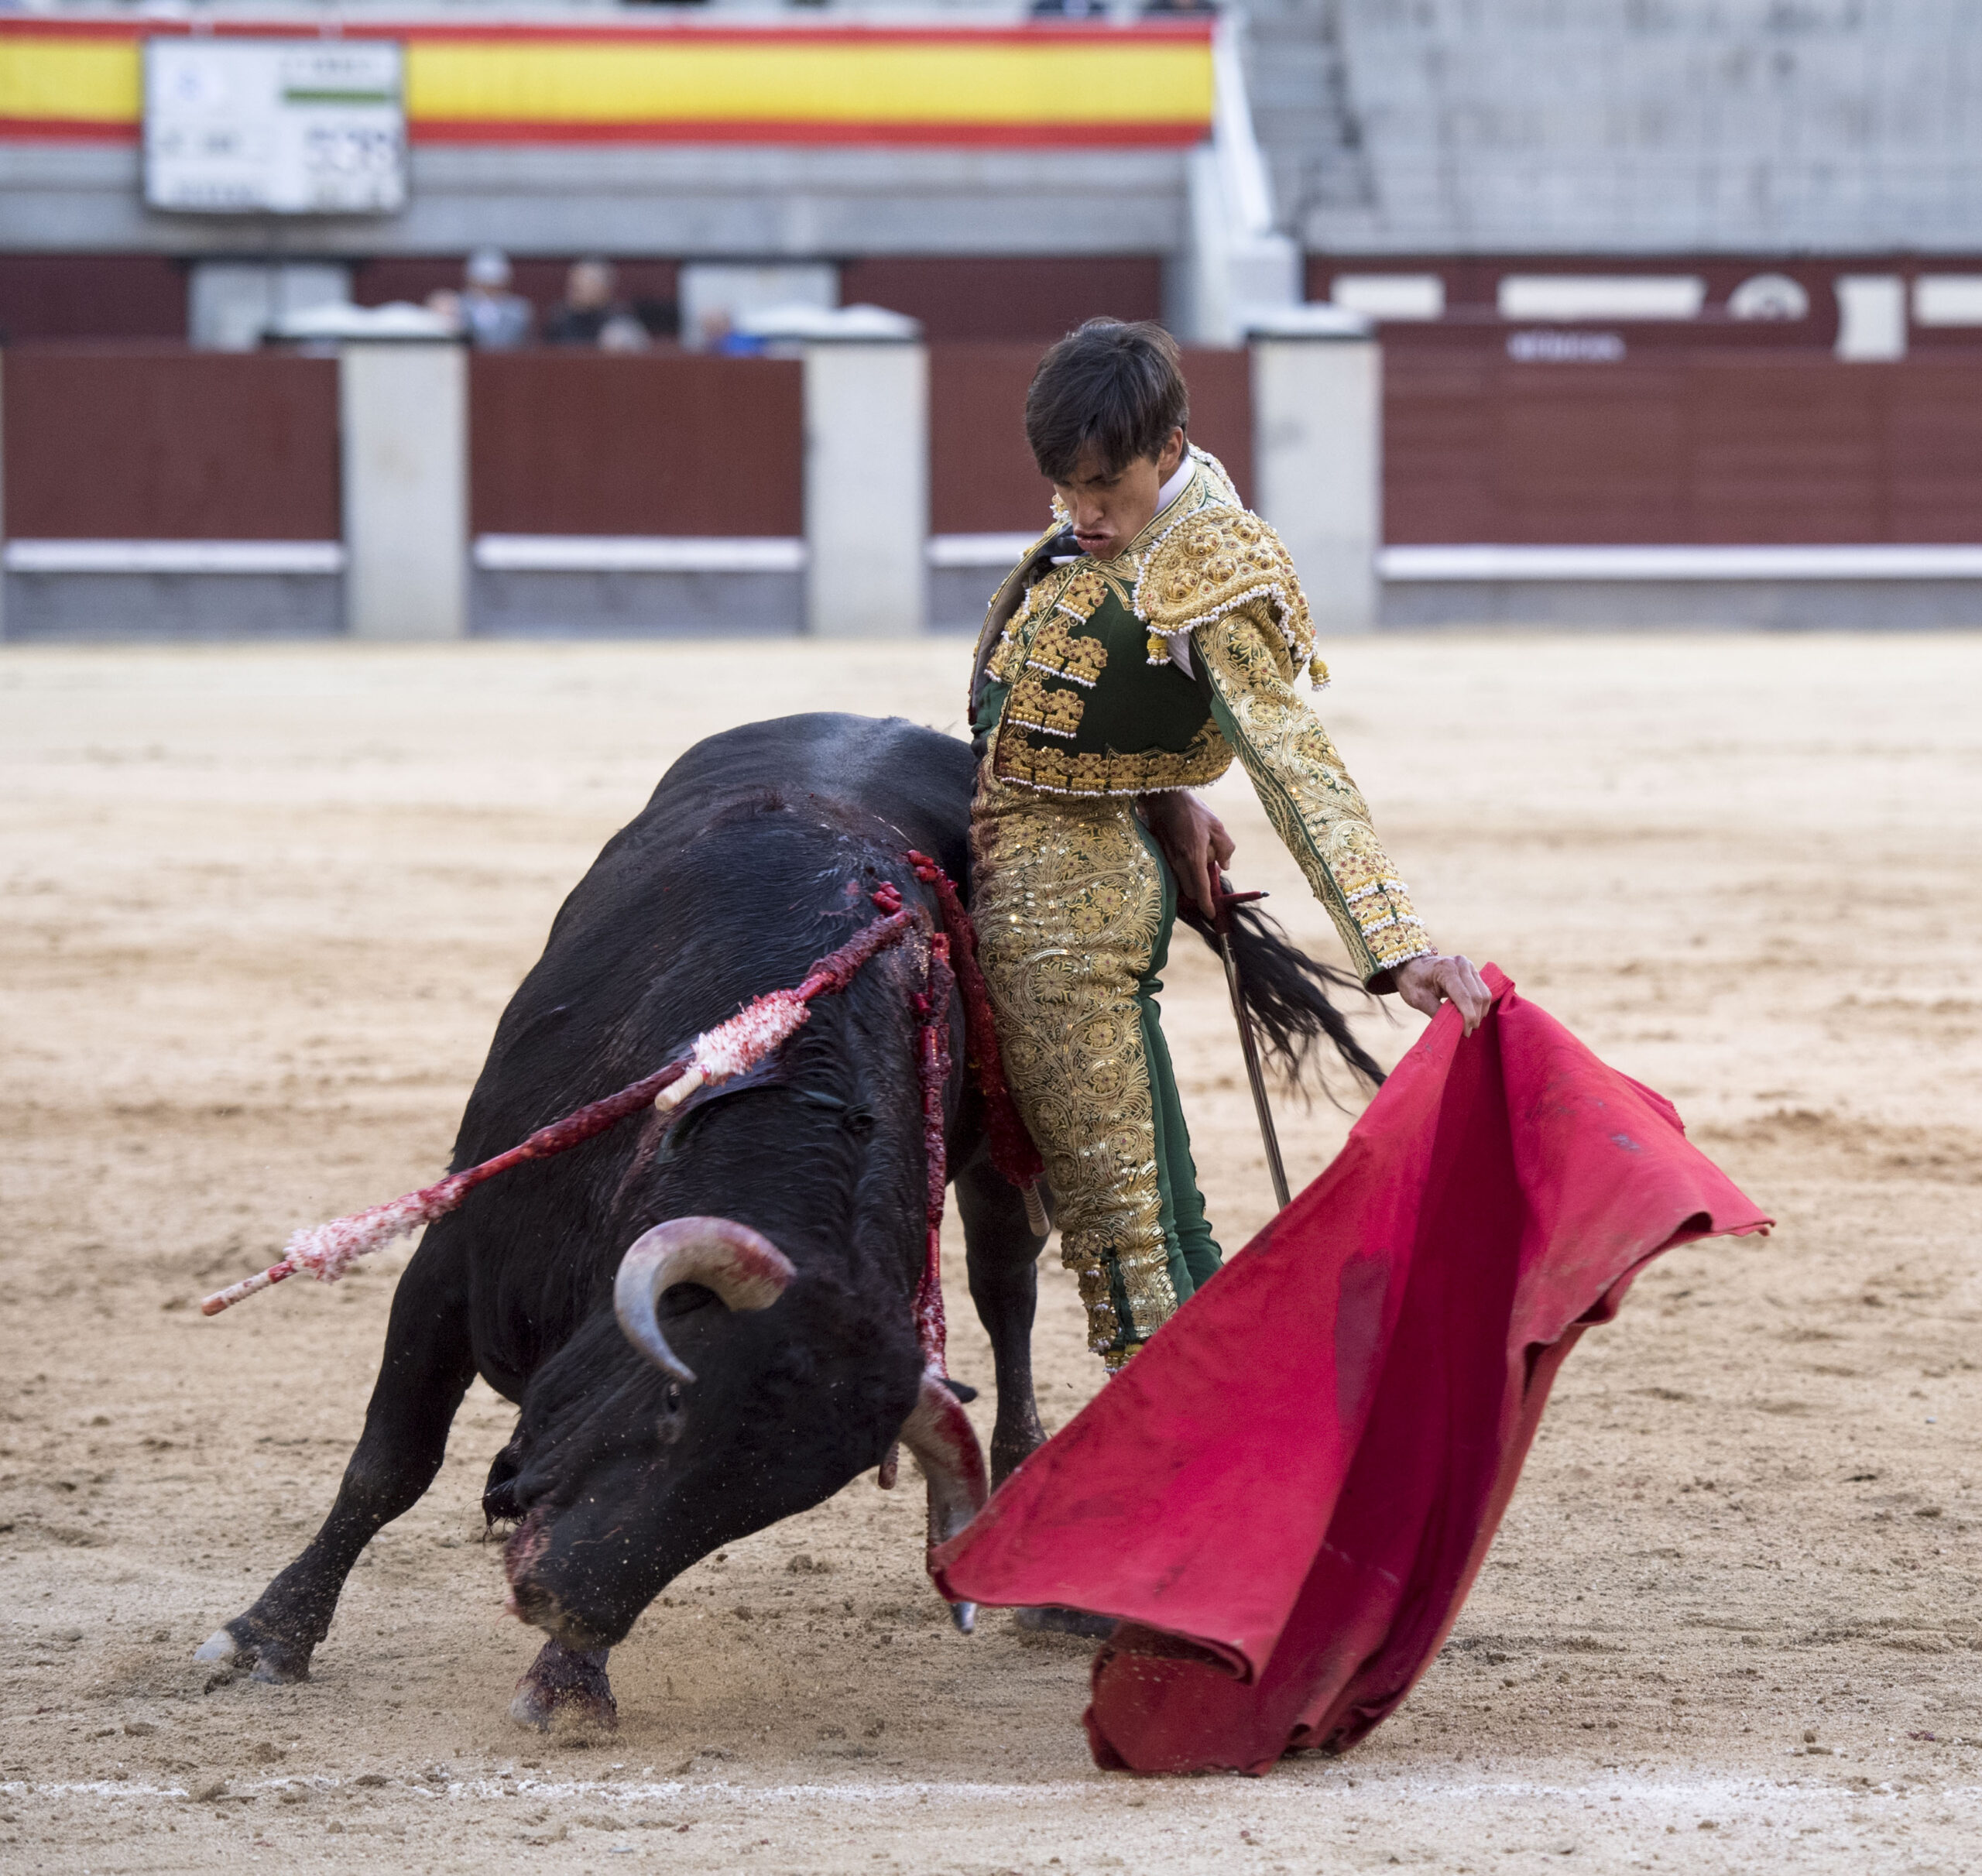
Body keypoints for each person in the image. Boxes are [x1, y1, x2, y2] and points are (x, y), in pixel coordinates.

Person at [968, 319, 1490, 1372]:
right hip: (1053, 842)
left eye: (1103, 486)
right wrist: (1166, 793)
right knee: (1163, 1193)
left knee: (1124, 1236)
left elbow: (1296, 762)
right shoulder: (1136, 505)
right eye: (1066, 489)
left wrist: (1396, 947)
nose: (1082, 514)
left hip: (1063, 906)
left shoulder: (1209, 565)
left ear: (1169, 450)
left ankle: (1187, 1473)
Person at [457, 247, 533, 349]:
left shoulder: (519, 310)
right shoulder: (457, 306)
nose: (487, 291)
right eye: (482, 285)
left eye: (493, 286)